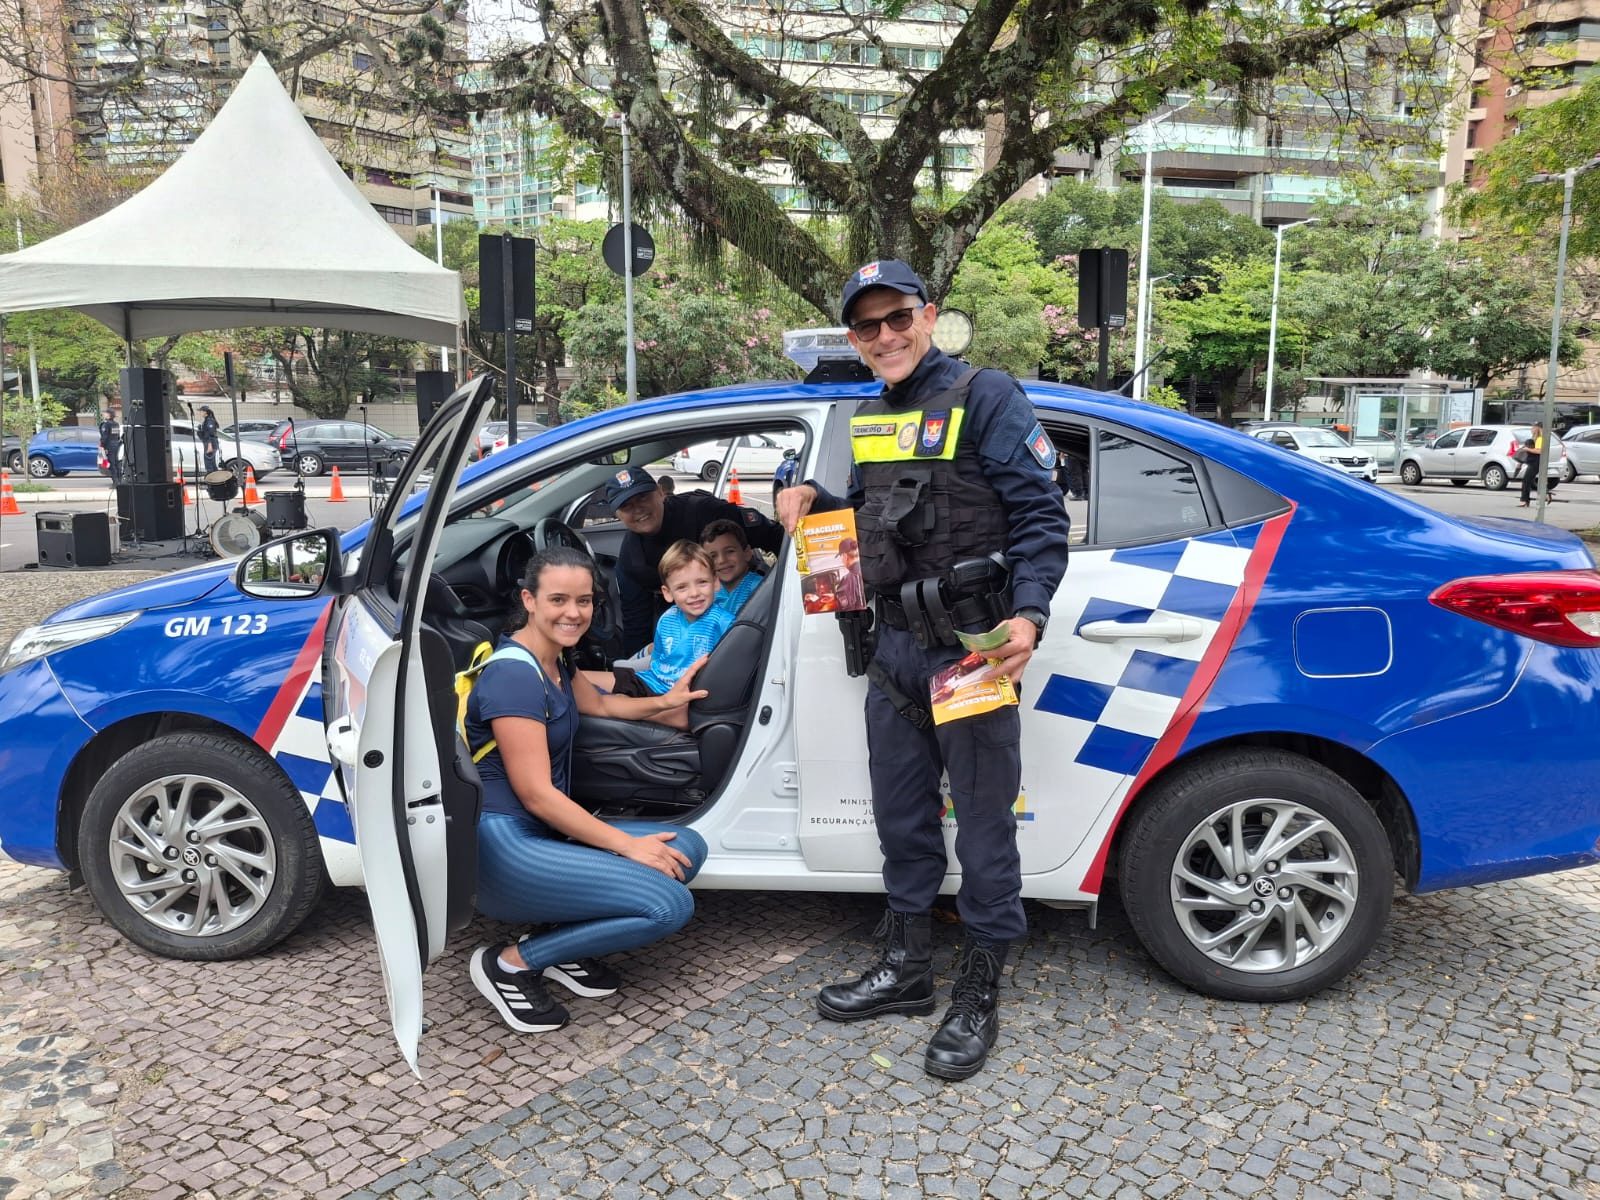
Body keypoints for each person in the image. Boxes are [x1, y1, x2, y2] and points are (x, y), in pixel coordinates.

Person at [777, 258, 1071, 1081]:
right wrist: (812, 509)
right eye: (866, 327)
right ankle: (906, 968)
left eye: (897, 318)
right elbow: (878, 522)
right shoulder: (869, 415)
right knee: (901, 820)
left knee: (982, 826)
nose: (885, 336)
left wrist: (1032, 613)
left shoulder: (988, 397)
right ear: (854, 339)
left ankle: (979, 986)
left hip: (971, 650)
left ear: (928, 314)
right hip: (896, 654)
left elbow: (1042, 519)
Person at [465, 546, 711, 1035]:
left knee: (687, 847)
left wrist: (669, 701)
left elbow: (606, 709)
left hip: (539, 834)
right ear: (529, 600)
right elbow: (535, 794)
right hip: (506, 845)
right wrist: (626, 845)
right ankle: (510, 962)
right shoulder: (513, 676)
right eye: (558, 600)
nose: (574, 613)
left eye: (584, 601)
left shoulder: (556, 661)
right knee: (668, 905)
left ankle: (562, 942)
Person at [609, 466, 784, 654]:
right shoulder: (632, 560)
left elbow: (777, 537)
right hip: (692, 632)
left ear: (660, 492)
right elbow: (637, 627)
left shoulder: (703, 511)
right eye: (626, 506)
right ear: (617, 515)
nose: (638, 509)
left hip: (750, 614)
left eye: (643, 497)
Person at [583, 540, 733, 730]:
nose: (694, 593)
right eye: (682, 587)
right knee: (578, 679)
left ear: (716, 583)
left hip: (682, 696)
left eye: (702, 582)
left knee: (609, 701)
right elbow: (657, 660)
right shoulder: (667, 619)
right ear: (667, 593)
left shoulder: (724, 623)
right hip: (651, 682)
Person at [701, 517, 765, 613]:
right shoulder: (707, 595)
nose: (722, 560)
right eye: (713, 556)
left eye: (730, 551)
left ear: (747, 553)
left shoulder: (761, 590)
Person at [1520, 423, 1552, 507]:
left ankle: (1525, 500)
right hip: (1537, 461)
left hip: (1536, 462)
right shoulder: (1540, 438)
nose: (1531, 429)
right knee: (1530, 481)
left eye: (1533, 427)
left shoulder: (1540, 439)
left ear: (1537, 428)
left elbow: (1539, 451)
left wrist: (1527, 449)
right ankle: (1546, 494)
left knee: (1526, 480)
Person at [98, 408, 124, 485]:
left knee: (110, 464)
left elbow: (104, 436)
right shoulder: (116, 424)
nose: (103, 414)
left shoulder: (106, 424)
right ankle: (120, 480)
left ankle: (115, 482)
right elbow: (118, 436)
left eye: (105, 413)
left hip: (109, 446)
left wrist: (102, 446)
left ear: (109, 415)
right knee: (117, 463)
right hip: (116, 445)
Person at [198, 405, 221, 473]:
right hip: (209, 442)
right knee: (211, 462)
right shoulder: (207, 420)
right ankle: (214, 479)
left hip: (210, 442)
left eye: (201, 411)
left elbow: (210, 433)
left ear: (205, 412)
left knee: (209, 462)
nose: (200, 413)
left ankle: (211, 480)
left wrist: (209, 445)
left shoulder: (209, 420)